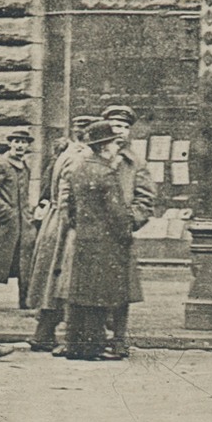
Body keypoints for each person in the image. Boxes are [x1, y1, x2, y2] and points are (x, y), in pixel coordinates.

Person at [62, 122, 140, 361]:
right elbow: (117, 214)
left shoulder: (78, 170)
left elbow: (71, 209)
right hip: (107, 242)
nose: (116, 148)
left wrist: (83, 227)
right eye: (114, 143)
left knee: (80, 293)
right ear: (105, 147)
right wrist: (127, 234)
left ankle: (74, 345)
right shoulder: (107, 173)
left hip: (84, 239)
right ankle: (94, 347)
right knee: (100, 294)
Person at [24, 116, 98, 351]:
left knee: (52, 280)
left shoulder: (67, 152)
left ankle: (43, 334)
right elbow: (71, 194)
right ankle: (70, 338)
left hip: (55, 221)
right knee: (65, 280)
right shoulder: (82, 156)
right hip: (66, 223)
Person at [99, 107, 154, 358]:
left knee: (121, 290)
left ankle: (119, 340)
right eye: (114, 126)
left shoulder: (137, 162)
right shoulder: (95, 156)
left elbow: (146, 198)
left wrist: (130, 220)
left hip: (121, 235)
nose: (118, 131)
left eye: (123, 127)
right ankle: (97, 337)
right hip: (95, 233)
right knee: (93, 287)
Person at [0, 128, 36, 307]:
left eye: (24, 142)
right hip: (5, 226)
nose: (20, 146)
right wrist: (5, 212)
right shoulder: (1, 164)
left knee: (26, 263)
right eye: (16, 141)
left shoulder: (25, 166)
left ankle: (25, 302)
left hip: (24, 225)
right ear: (10, 144)